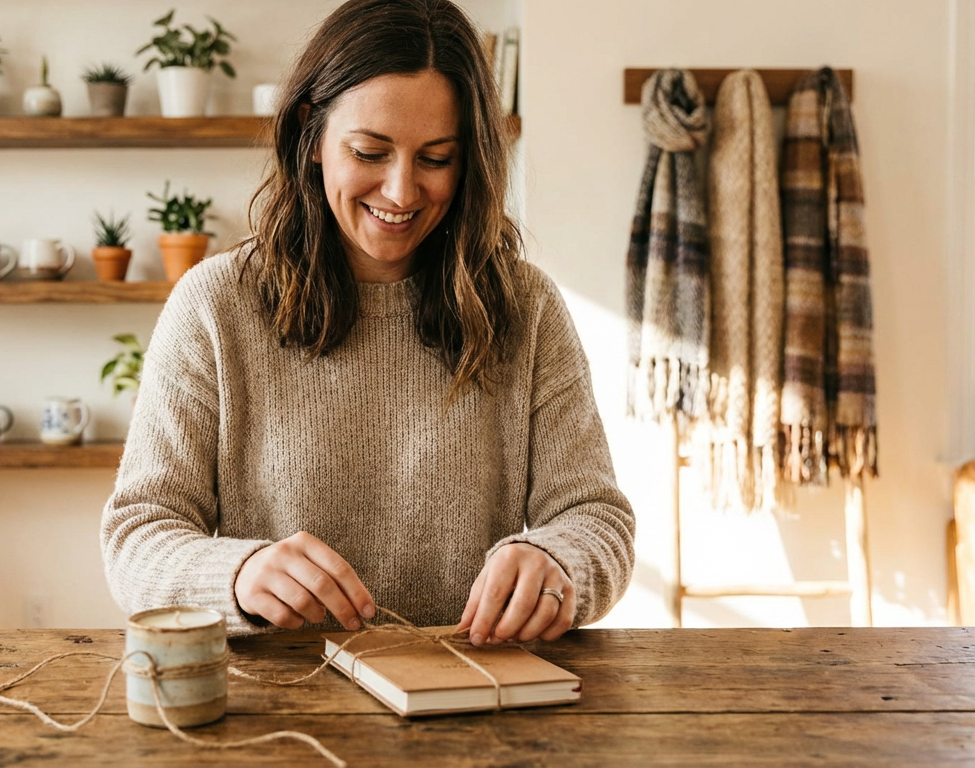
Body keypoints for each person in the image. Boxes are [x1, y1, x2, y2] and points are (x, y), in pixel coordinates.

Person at [102, 0, 634, 647]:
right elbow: (138, 536)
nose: (402, 192)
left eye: (436, 158)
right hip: (281, 713)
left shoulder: (527, 307)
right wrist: (237, 574)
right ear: (312, 134)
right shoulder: (215, 304)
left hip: (476, 703)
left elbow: (595, 518)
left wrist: (558, 563)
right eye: (371, 151)